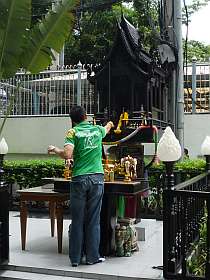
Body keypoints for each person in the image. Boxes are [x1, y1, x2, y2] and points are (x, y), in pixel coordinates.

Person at [48, 106, 114, 267]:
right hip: (97, 178)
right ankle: (92, 257)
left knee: (77, 220)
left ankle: (75, 259)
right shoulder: (97, 130)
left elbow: (68, 154)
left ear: (72, 120)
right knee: (93, 220)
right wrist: (111, 124)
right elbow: (106, 128)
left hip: (79, 179)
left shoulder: (73, 132)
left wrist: (55, 149)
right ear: (86, 116)